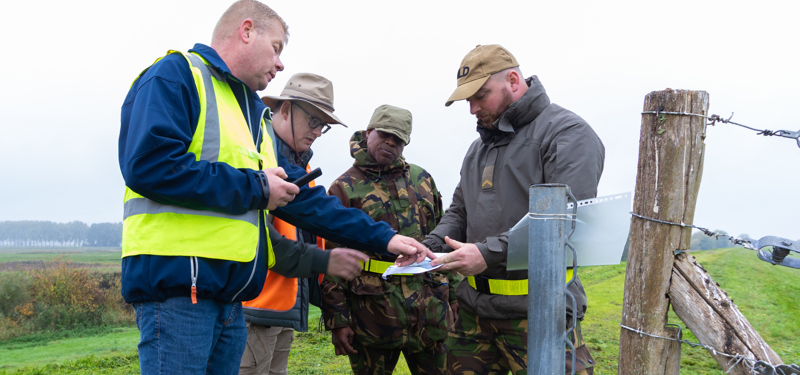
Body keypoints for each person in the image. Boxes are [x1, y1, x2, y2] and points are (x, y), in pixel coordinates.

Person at [118, 1, 431, 374]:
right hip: (180, 294)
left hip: (229, 299)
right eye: (277, 47)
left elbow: (304, 202)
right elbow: (149, 166)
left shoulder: (252, 115)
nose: (281, 64)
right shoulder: (177, 75)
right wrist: (256, 186)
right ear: (246, 31)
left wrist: (386, 239)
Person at [426, 45, 605, 375]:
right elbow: (460, 211)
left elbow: (563, 222)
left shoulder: (566, 133)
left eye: (480, 95)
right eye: (468, 100)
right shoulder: (478, 149)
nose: (472, 109)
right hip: (473, 312)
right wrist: (430, 247)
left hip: (540, 313)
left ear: (512, 79)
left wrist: (486, 253)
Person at [321, 105, 460, 375]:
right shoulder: (344, 187)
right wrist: (338, 320)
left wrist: (453, 297)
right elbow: (332, 259)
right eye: (385, 134)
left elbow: (443, 240)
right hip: (372, 315)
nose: (390, 143)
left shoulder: (423, 180)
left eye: (398, 139)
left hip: (429, 311)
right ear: (369, 132)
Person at [239, 73, 346, 375]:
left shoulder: (301, 164)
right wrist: (323, 261)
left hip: (281, 310)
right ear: (285, 110)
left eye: (322, 126)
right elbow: (262, 238)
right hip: (254, 310)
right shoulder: (258, 155)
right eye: (313, 121)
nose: (318, 132)